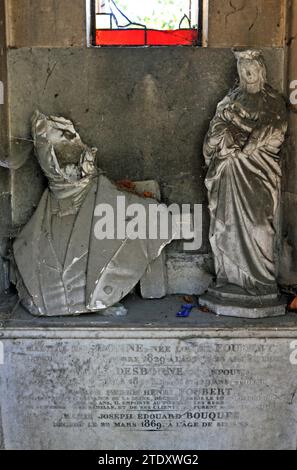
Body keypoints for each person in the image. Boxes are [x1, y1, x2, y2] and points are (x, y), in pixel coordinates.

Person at [203, 50, 287, 296]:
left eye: (251, 69)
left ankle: (261, 279)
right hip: (229, 171)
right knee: (227, 225)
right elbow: (213, 133)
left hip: (260, 171)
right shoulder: (231, 99)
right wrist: (224, 138)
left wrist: (240, 126)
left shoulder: (272, 100)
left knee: (261, 226)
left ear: (260, 70)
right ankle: (230, 277)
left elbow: (273, 130)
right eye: (242, 70)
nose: (247, 74)